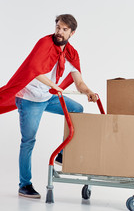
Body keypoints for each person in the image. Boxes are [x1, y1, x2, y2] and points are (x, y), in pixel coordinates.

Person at [15, 14, 98, 199]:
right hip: (30, 98)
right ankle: (24, 185)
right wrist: (55, 86)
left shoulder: (71, 54)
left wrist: (89, 92)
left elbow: (79, 82)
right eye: (58, 27)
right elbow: (33, 71)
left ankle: (61, 153)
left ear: (72, 33)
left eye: (64, 29)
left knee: (77, 110)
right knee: (28, 141)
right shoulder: (44, 44)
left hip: (49, 96)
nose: (59, 32)